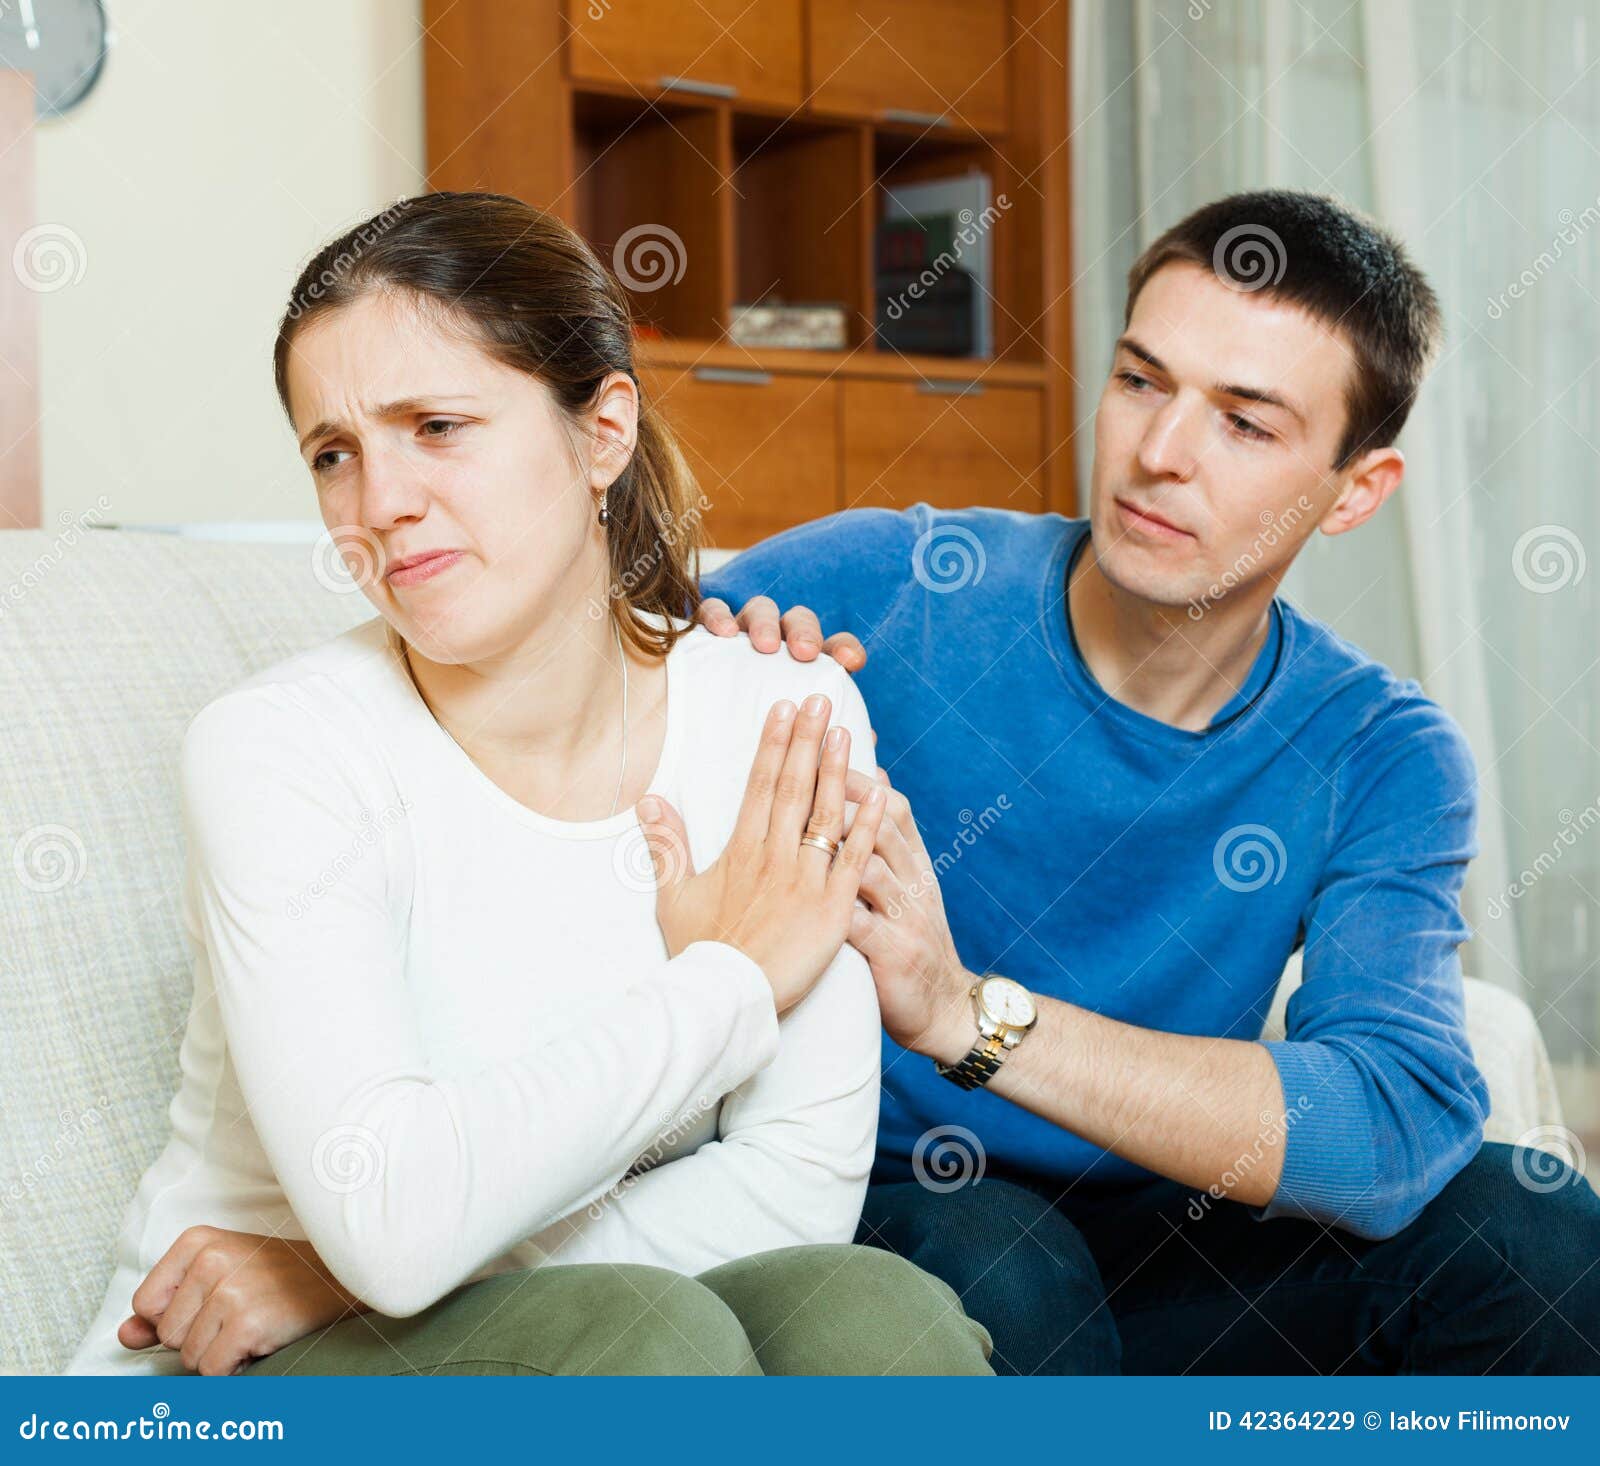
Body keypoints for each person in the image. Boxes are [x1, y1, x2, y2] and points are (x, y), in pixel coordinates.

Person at [64, 192, 993, 1378]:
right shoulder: (276, 751)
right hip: (216, 1380)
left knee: (880, 1318)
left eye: (437, 426)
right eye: (333, 453)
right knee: (650, 1337)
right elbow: (393, 1227)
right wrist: (729, 977)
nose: (379, 502)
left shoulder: (780, 714)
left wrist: (330, 1274)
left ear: (601, 431)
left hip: (338, 1306)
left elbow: (797, 1184)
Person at [697, 190, 1600, 1374]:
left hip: (1179, 1228)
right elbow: (562, 711)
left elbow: (1389, 1117)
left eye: (1244, 422)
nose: (1157, 454)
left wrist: (969, 1013)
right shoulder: (882, 581)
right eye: (1139, 380)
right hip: (902, 1205)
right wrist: (706, 684)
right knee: (1015, 1266)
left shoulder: (1381, 748)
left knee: (1541, 1233)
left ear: (1354, 491)